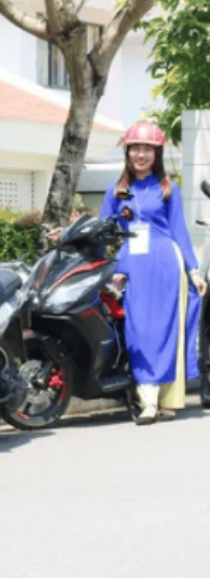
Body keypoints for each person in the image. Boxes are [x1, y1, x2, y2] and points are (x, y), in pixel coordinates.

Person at [100, 120, 205, 424]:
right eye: (136, 148)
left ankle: (168, 400)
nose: (141, 154)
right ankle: (147, 402)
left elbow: (179, 232)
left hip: (166, 264)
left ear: (157, 153)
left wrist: (194, 271)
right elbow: (103, 233)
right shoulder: (115, 191)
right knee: (138, 331)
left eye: (147, 149)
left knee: (167, 330)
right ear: (127, 152)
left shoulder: (169, 188)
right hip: (133, 266)